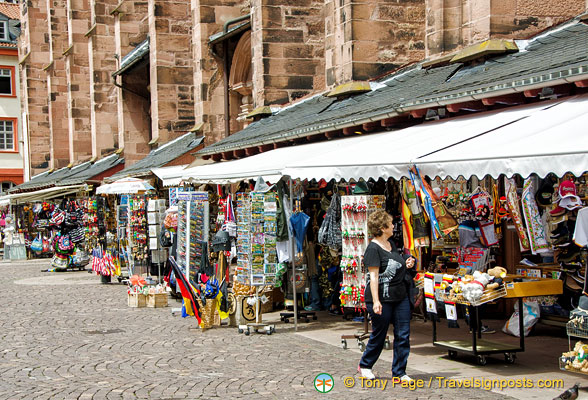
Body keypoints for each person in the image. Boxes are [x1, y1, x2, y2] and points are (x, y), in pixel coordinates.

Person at [358, 210, 416, 382]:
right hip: (382, 298)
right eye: (390, 224)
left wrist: (407, 263)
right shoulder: (373, 249)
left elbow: (395, 264)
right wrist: (376, 301)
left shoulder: (391, 244)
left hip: (400, 295)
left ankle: (399, 371)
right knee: (379, 334)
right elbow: (373, 276)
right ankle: (366, 364)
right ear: (383, 228)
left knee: (403, 334)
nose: (393, 226)